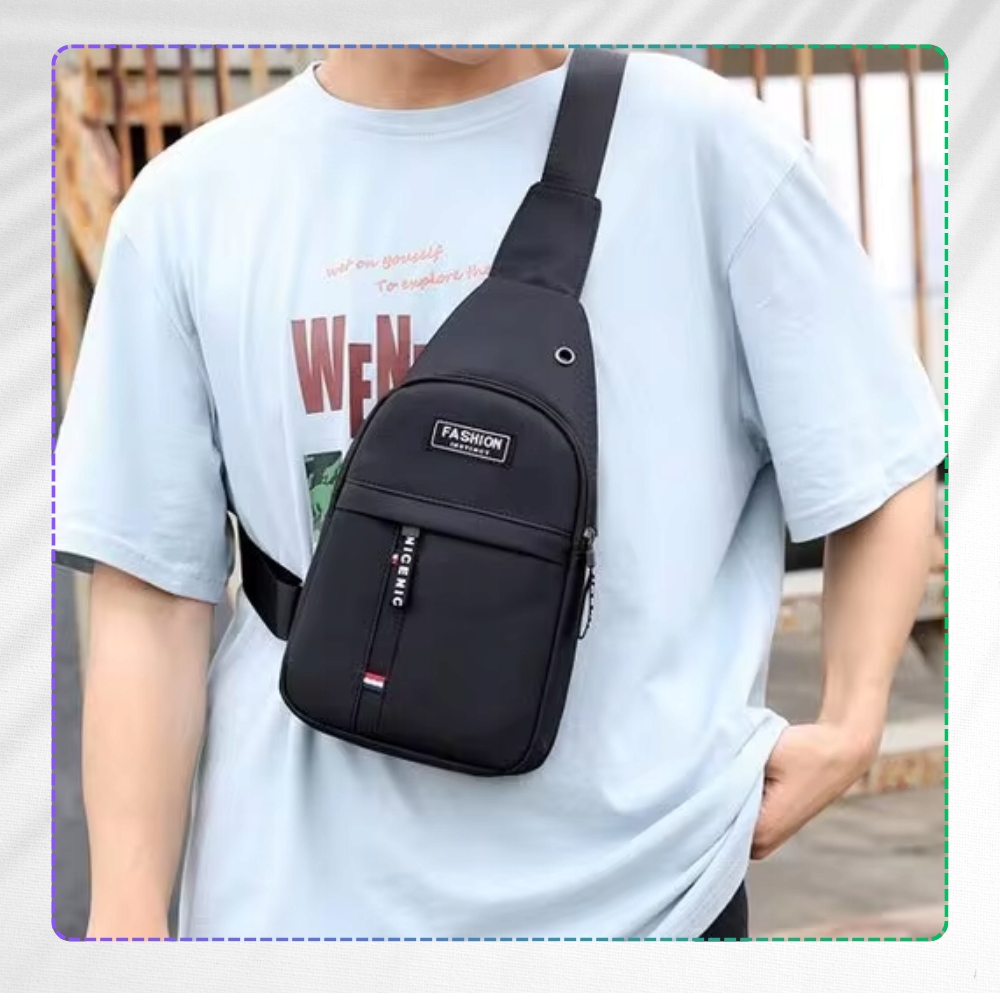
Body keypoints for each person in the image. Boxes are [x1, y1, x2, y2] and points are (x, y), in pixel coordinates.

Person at [55, 46, 943, 940]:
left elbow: (875, 459)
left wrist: (853, 720)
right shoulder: (193, 202)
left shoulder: (709, 149)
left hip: (644, 903)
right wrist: (125, 912)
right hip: (296, 908)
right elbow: (152, 587)